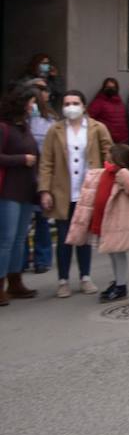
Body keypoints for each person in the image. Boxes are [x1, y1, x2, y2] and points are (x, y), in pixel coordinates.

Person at [38, 91, 113, 297]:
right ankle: (63, 280)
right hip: (63, 192)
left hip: (88, 190)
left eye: (75, 103)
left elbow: (109, 153)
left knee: (84, 237)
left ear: (84, 106)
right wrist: (45, 190)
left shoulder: (97, 128)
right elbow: (46, 162)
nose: (71, 107)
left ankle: (85, 277)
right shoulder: (55, 130)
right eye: (67, 103)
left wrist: (108, 179)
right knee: (64, 237)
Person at [63, 141, 129, 302]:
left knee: (118, 253)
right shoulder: (106, 173)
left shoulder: (123, 174)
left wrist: (124, 172)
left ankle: (121, 286)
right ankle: (117, 281)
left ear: (118, 158)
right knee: (112, 253)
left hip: (119, 223)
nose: (106, 156)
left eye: (109, 154)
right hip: (106, 221)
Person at [0, 86, 41, 304]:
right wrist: (22, 160)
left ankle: (15, 281)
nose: (33, 107)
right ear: (22, 103)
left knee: (19, 239)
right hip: (8, 191)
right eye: (31, 102)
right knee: (5, 240)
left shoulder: (25, 127)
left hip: (26, 190)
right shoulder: (4, 127)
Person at [23, 79, 57, 275]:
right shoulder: (20, 119)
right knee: (25, 221)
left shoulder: (49, 119)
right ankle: (22, 260)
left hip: (42, 173)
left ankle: (41, 260)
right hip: (24, 174)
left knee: (42, 218)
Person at [88, 78, 129, 145]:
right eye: (108, 87)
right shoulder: (98, 102)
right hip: (107, 140)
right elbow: (89, 119)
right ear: (104, 88)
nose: (111, 89)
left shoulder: (120, 102)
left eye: (113, 87)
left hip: (122, 140)